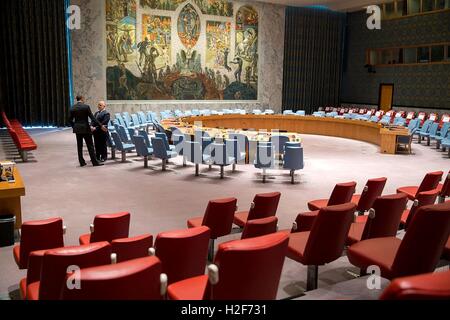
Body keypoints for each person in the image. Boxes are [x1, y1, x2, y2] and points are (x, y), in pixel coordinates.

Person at [68, 95, 104, 167]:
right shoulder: (86, 107)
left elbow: (69, 120)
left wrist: (74, 126)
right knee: (90, 146)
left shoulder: (72, 108)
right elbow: (93, 118)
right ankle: (95, 162)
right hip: (86, 129)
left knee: (79, 146)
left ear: (77, 99)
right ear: (82, 99)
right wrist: (101, 125)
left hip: (77, 129)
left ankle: (81, 162)